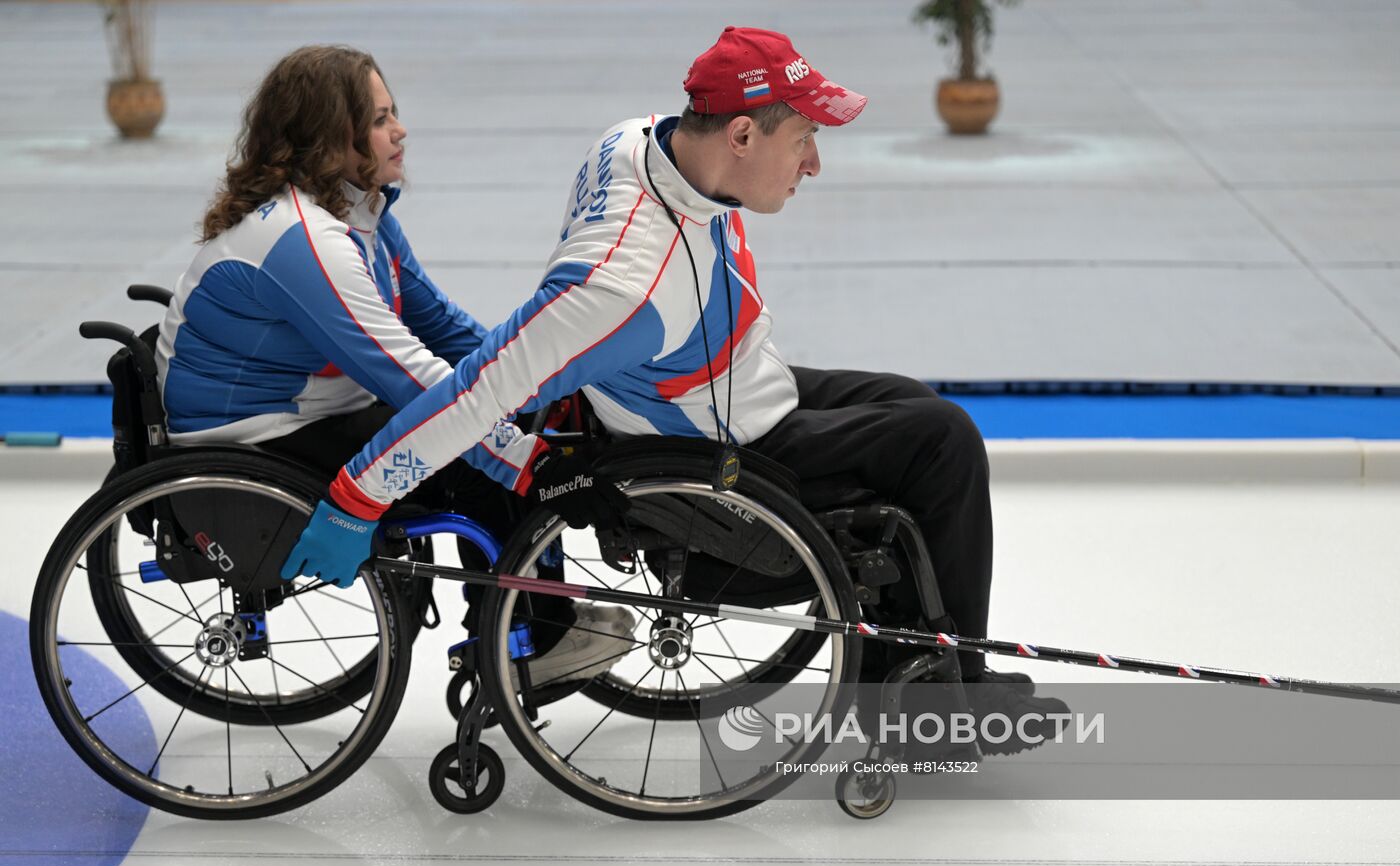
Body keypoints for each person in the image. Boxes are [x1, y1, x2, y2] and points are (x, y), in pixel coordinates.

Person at [280, 27, 1066, 748]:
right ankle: (943, 710)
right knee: (945, 442)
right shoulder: (624, 284)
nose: (815, 164)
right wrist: (359, 497)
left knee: (915, 404)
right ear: (743, 134)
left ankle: (911, 676)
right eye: (805, 140)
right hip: (720, 457)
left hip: (740, 381)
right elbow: (482, 391)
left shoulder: (637, 140)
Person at [155, 44, 634, 685]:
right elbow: (409, 376)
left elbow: (441, 326)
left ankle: (530, 621)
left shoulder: (359, 212)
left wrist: (543, 383)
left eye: (393, 112)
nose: (400, 130)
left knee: (504, 425)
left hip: (306, 413)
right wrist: (528, 462)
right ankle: (532, 642)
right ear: (331, 140)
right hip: (252, 442)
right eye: (381, 120)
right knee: (479, 463)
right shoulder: (303, 241)